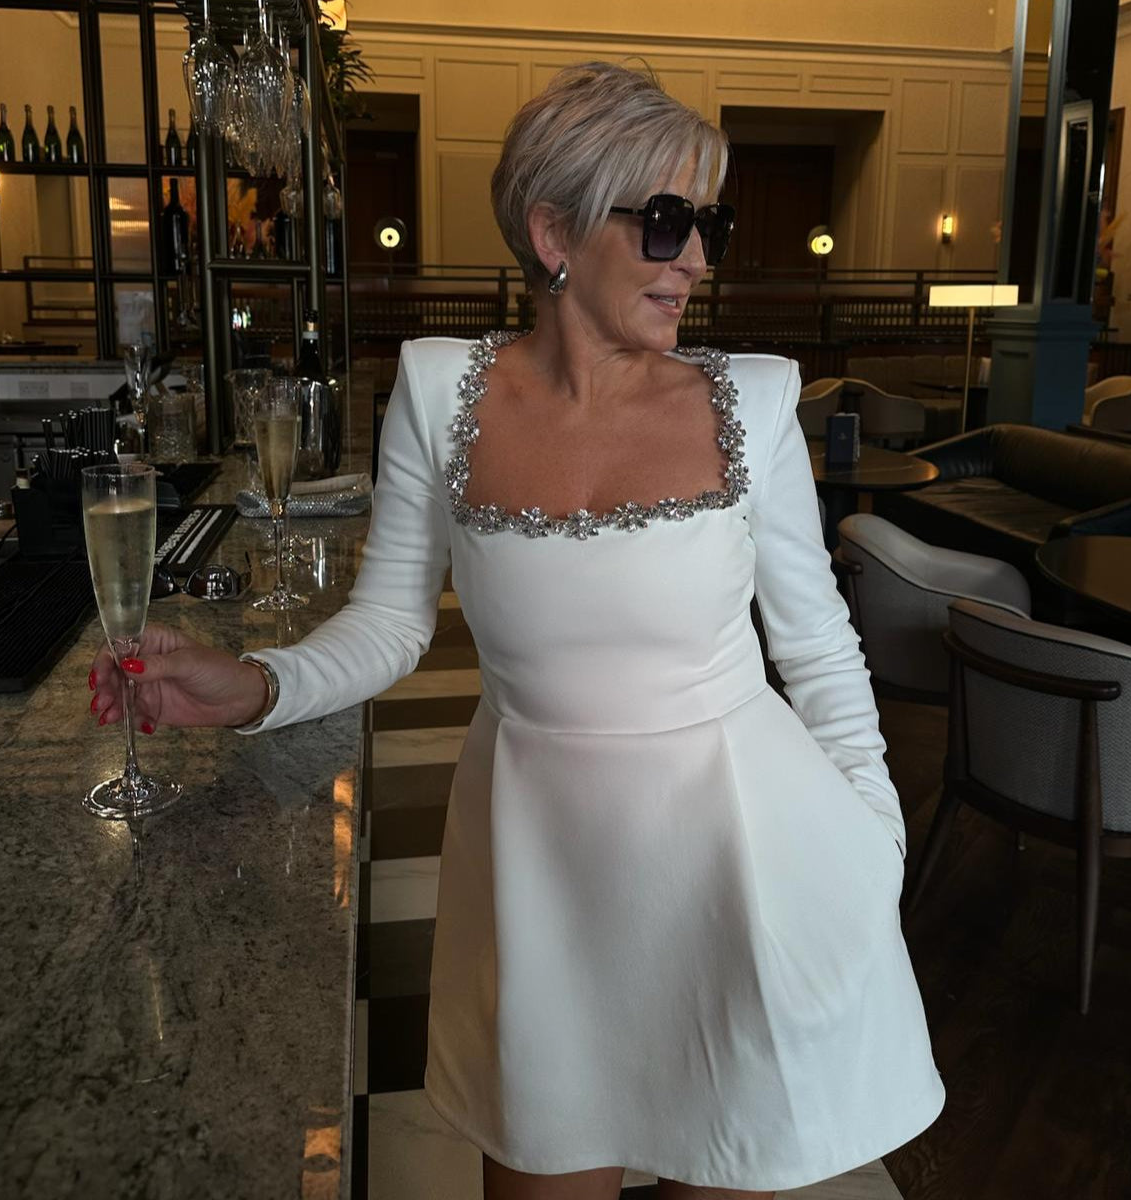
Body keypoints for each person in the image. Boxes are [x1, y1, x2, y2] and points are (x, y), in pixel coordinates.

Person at [89, 62, 945, 1200]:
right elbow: (390, 623)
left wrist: (877, 838)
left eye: (712, 225)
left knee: (724, 1161)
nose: (697, 258)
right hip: (542, 869)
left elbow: (820, 644)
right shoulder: (439, 389)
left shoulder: (754, 400)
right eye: (668, 223)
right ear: (554, 232)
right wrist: (256, 684)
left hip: (740, 862)